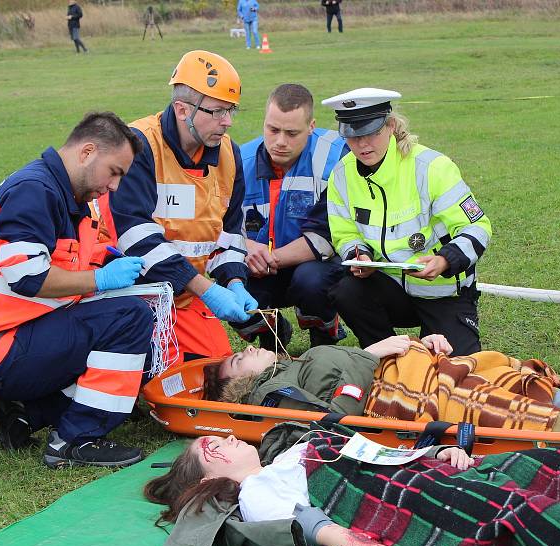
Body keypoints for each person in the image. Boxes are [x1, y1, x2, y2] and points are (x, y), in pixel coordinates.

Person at [145, 430, 560, 546]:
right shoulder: (257, 491)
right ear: (207, 480)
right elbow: (322, 530)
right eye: (213, 448)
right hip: (410, 505)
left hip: (427, 475)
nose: (227, 439)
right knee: (523, 511)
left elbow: (386, 454)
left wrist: (438, 454)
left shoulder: (293, 450)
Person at [0, 112, 153, 468]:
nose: (115, 186)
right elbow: (27, 277)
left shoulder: (65, 193)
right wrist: (100, 281)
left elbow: (73, 260)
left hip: (12, 340)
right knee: (131, 318)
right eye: (115, 172)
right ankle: (74, 440)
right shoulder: (35, 190)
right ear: (87, 152)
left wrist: (106, 264)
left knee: (129, 325)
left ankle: (26, 414)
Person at [107, 50, 256, 368]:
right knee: (153, 376)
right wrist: (208, 290)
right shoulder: (139, 145)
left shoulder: (229, 153)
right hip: (129, 293)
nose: (227, 122)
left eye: (231, 111)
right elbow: (135, 238)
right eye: (217, 112)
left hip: (185, 295)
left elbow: (230, 232)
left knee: (217, 369)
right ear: (182, 109)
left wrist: (234, 281)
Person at [323, 88, 493, 356]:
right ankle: (388, 357)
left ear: (390, 126)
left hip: (444, 293)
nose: (362, 144)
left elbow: (478, 227)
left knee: (458, 372)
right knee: (347, 290)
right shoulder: (341, 175)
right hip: (390, 289)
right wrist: (360, 256)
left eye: (371, 132)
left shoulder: (432, 167)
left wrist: (444, 260)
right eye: (353, 136)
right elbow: (345, 233)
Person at [202, 335, 560, 436]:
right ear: (238, 386)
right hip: (394, 394)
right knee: (489, 402)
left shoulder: (296, 362)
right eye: (239, 358)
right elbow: (335, 415)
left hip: (412, 370)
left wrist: (416, 346)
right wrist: (374, 353)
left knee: (498, 370)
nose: (247, 348)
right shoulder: (272, 393)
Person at [233, 84, 349, 350]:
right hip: (259, 264)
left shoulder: (335, 157)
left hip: (316, 264)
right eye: (273, 130)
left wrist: (271, 258)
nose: (280, 141)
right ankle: (271, 334)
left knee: (311, 281)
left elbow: (329, 233)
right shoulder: (239, 160)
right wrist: (247, 248)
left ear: (311, 126)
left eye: (292, 133)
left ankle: (324, 338)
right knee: (231, 286)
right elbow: (218, 223)